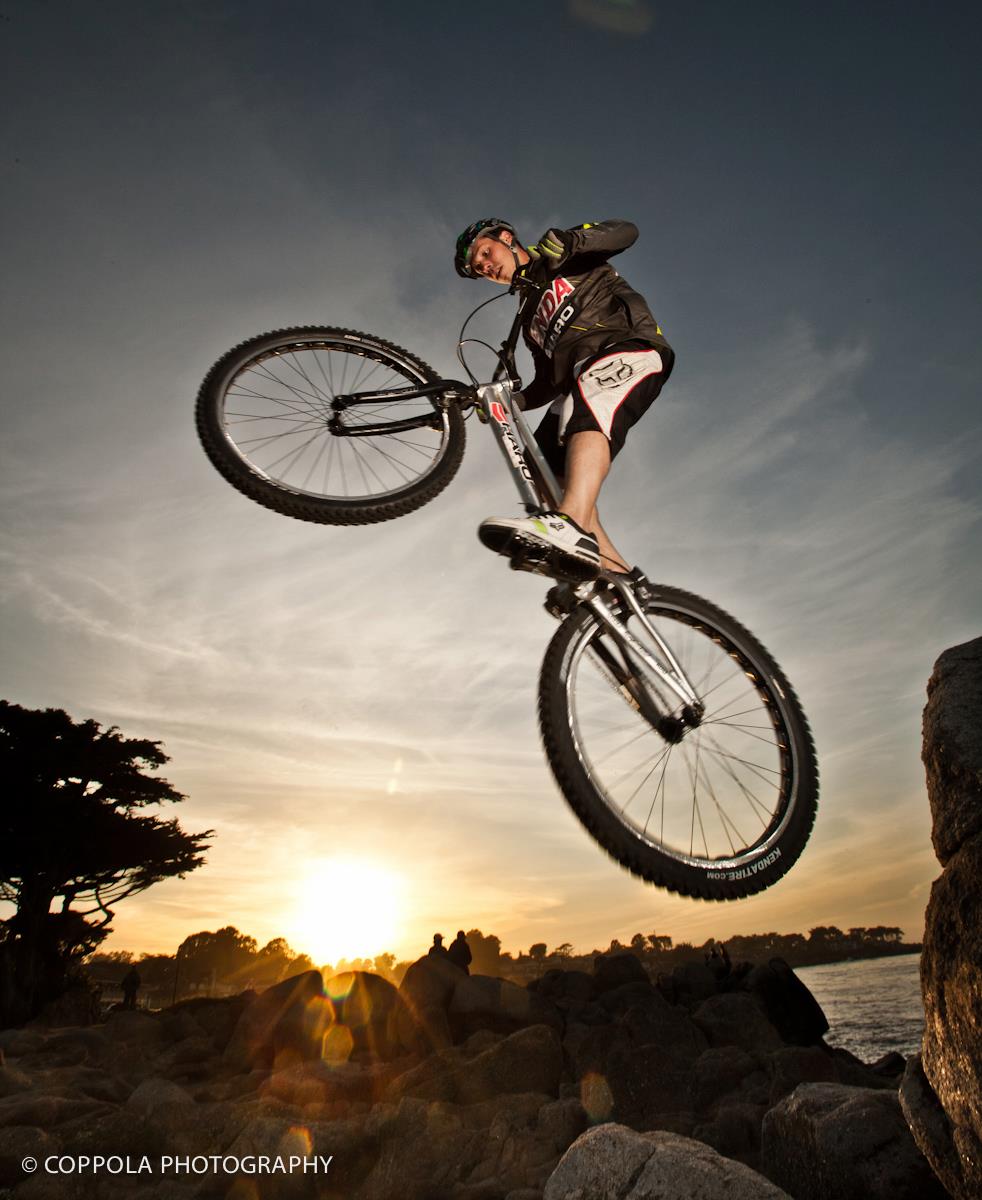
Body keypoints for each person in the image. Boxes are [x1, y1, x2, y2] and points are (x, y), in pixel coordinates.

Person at [454, 218, 674, 592]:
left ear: (506, 238)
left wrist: (573, 241)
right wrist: (510, 401)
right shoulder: (529, 318)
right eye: (479, 268)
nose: (486, 267)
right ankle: (613, 578)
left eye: (486, 254)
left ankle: (568, 524)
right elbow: (547, 382)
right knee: (540, 465)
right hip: (579, 379)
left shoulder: (562, 253)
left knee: (584, 409)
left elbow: (626, 232)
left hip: (627, 348)